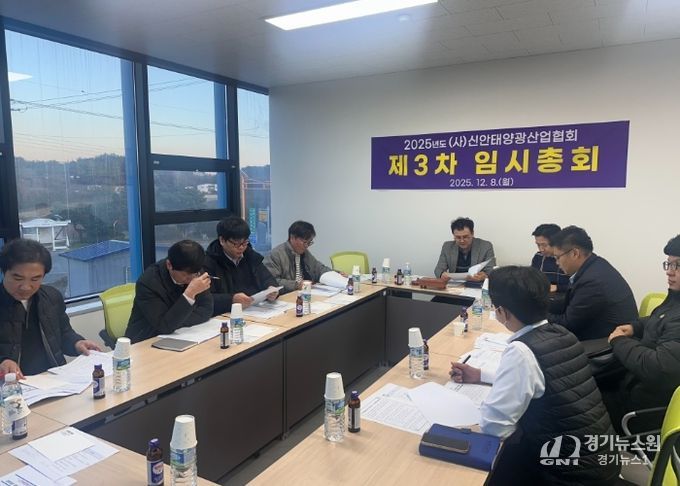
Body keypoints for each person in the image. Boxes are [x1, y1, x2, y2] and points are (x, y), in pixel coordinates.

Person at [450, 266, 619, 485]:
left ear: (502, 312)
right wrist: (481, 374)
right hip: (600, 463)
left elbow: (494, 427)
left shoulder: (522, 351)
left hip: (568, 476)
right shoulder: (561, 333)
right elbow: (540, 377)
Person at [604, 234, 680, 432]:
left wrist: (619, 341)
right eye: (669, 264)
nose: (669, 271)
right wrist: (635, 327)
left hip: (647, 410)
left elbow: (659, 369)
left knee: (582, 408)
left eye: (678, 265)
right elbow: (662, 319)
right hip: (634, 386)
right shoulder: (675, 298)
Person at [0, 238, 101, 377]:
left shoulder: (51, 297)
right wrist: (3, 362)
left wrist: (77, 342)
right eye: (18, 278)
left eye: (35, 279)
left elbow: (64, 333)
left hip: (53, 378)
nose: (26, 287)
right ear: (4, 271)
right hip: (12, 383)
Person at [548, 225, 637, 340]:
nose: (557, 263)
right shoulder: (594, 265)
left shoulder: (592, 281)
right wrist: (540, 304)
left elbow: (568, 324)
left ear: (575, 253)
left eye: (557, 257)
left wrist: (537, 316)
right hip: (595, 331)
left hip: (606, 342)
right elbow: (571, 303)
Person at [125, 240, 213, 343]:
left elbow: (207, 309)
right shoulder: (148, 283)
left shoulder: (194, 270)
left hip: (180, 335)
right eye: (186, 275)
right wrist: (189, 294)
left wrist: (176, 321)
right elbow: (164, 326)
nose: (192, 279)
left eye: (195, 274)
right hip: (145, 340)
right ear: (169, 265)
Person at [204, 216, 279, 315]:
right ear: (222, 240)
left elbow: (267, 278)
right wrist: (231, 299)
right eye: (236, 244)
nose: (241, 248)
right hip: (227, 314)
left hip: (256, 310)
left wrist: (271, 289)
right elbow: (205, 298)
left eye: (245, 243)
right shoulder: (208, 263)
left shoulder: (250, 256)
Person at [264, 220, 332, 293]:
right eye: (304, 242)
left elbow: (318, 268)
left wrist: (334, 273)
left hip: (302, 293)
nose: (306, 246)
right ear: (292, 238)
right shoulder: (276, 254)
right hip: (286, 296)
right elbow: (271, 282)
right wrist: (296, 285)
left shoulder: (304, 252)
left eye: (309, 242)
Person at [434, 217, 495, 282]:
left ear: (472, 233)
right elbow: (438, 270)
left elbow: (492, 271)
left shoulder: (485, 246)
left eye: (465, 237)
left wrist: (484, 276)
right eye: (458, 237)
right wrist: (442, 274)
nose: (462, 241)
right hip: (454, 285)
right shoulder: (447, 247)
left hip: (476, 284)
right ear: (453, 235)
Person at [530, 223, 568, 293]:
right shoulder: (538, 257)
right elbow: (532, 280)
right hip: (543, 295)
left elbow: (579, 286)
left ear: (556, 242)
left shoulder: (569, 258)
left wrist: (557, 287)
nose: (541, 249)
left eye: (544, 245)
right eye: (538, 245)